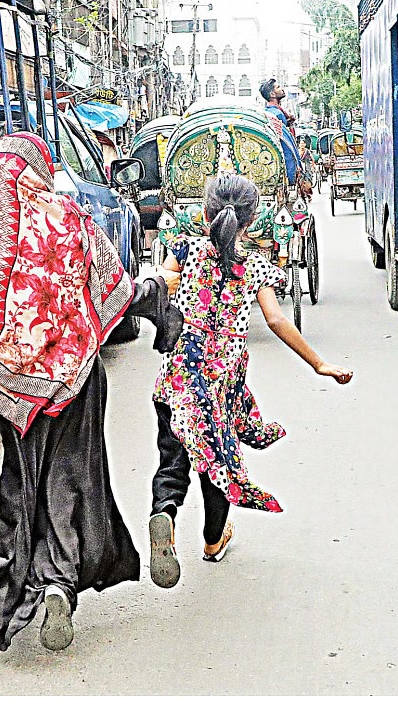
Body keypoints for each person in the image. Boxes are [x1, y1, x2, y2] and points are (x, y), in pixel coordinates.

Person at [0, 132, 182, 652]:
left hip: (16, 394)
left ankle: (26, 580)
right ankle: (57, 581)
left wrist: (2, 362)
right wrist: (151, 305)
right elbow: (113, 286)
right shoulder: (68, 217)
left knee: (22, 483)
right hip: (76, 378)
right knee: (73, 479)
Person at [147, 173, 352, 589]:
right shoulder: (254, 266)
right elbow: (277, 320)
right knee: (216, 465)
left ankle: (164, 514)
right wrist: (319, 364)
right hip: (218, 390)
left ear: (203, 212)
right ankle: (211, 541)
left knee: (174, 459)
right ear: (251, 221)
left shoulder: (183, 252)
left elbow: (157, 288)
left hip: (175, 380)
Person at [259, 78, 301, 185]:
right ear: (272, 94)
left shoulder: (271, 112)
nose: (281, 89)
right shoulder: (277, 114)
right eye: (278, 87)